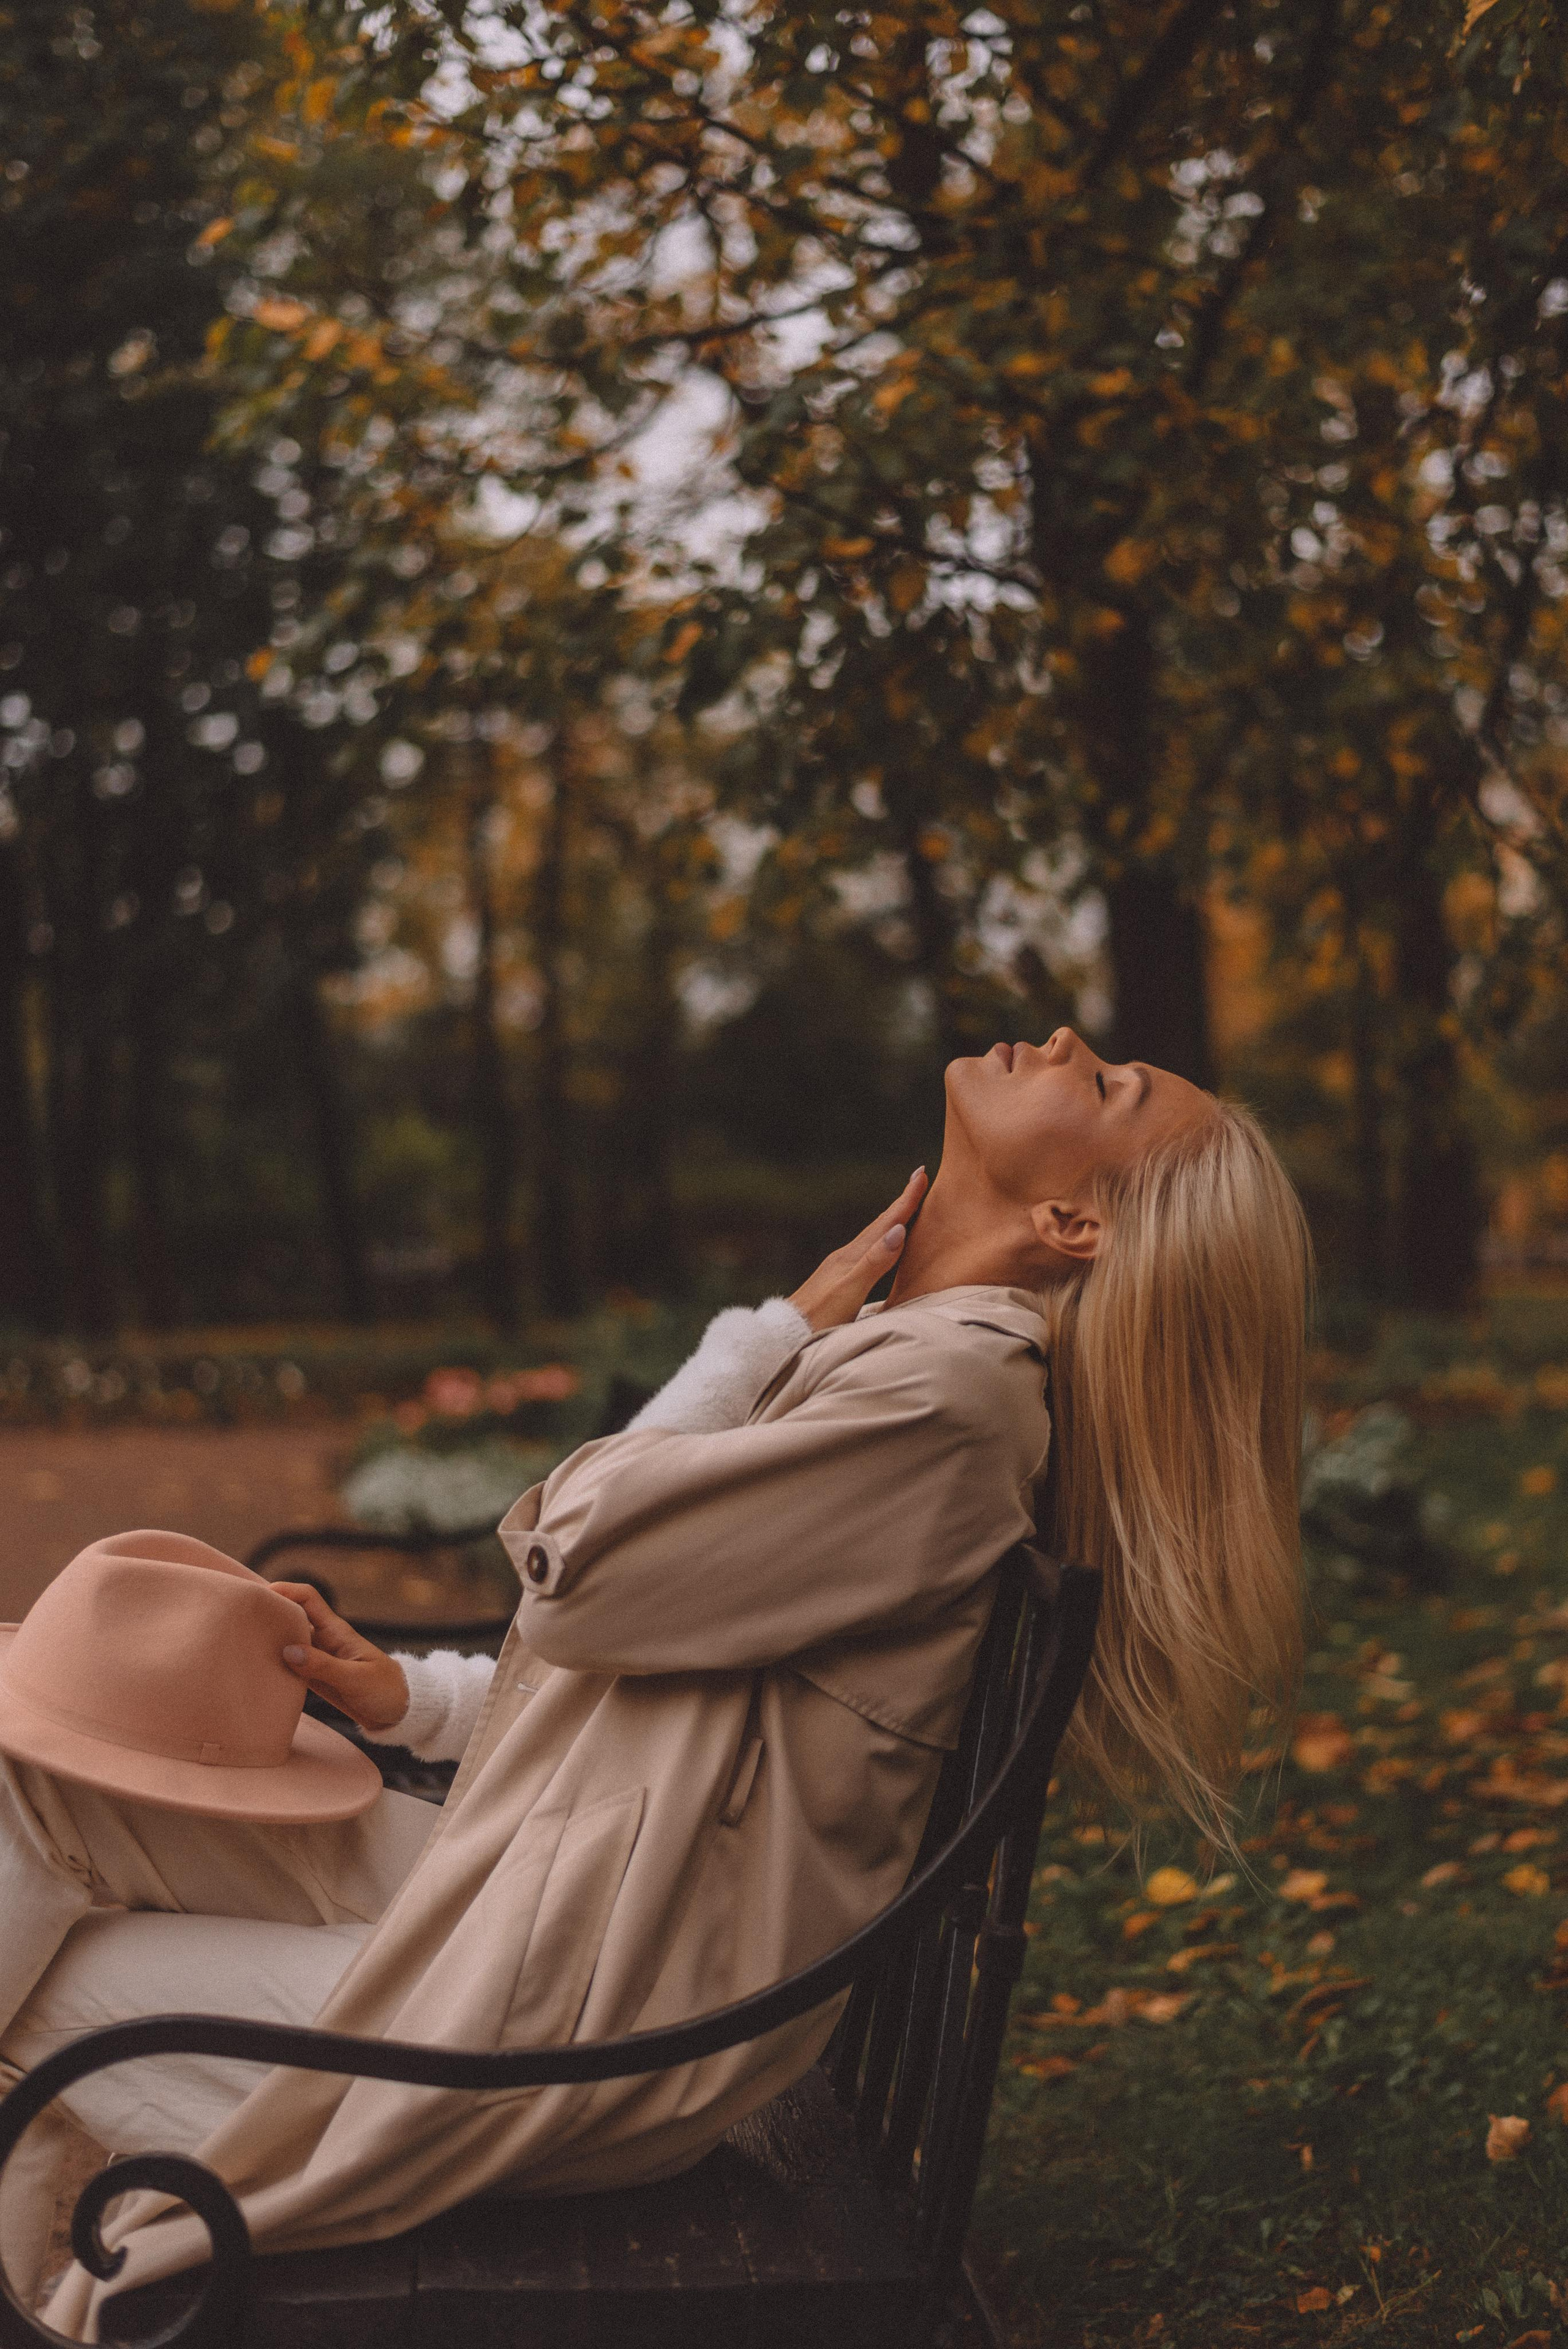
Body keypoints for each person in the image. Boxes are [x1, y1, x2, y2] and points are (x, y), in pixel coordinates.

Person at [0, 1027, 1309, 2334]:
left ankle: (76, 2300)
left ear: (1071, 1219)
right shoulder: (912, 1358)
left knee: (63, 1990)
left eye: (1110, 1086)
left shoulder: (943, 1398)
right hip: (547, 1900)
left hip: (585, 2014)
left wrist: (760, 1340)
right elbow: (651, 1646)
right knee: (39, 1772)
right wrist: (421, 1703)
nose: (1073, 1042)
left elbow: (584, 1568)